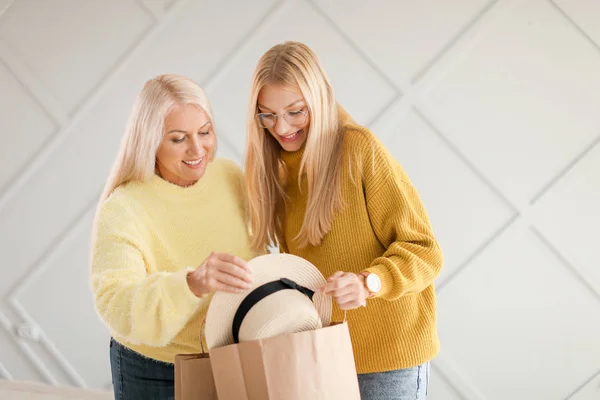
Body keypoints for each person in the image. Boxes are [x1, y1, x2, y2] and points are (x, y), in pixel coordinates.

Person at [243, 41, 444, 400]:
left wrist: (370, 282)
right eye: (267, 114)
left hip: (389, 358)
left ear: (318, 99)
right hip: (324, 355)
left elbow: (425, 251)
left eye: (295, 111)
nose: (282, 127)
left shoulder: (359, 150)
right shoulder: (277, 171)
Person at [90, 73, 258, 400]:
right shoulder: (125, 206)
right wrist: (193, 283)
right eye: (178, 138)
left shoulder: (229, 177)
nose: (197, 150)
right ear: (150, 140)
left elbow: (257, 258)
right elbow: (114, 303)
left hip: (234, 354)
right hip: (158, 369)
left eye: (205, 132)